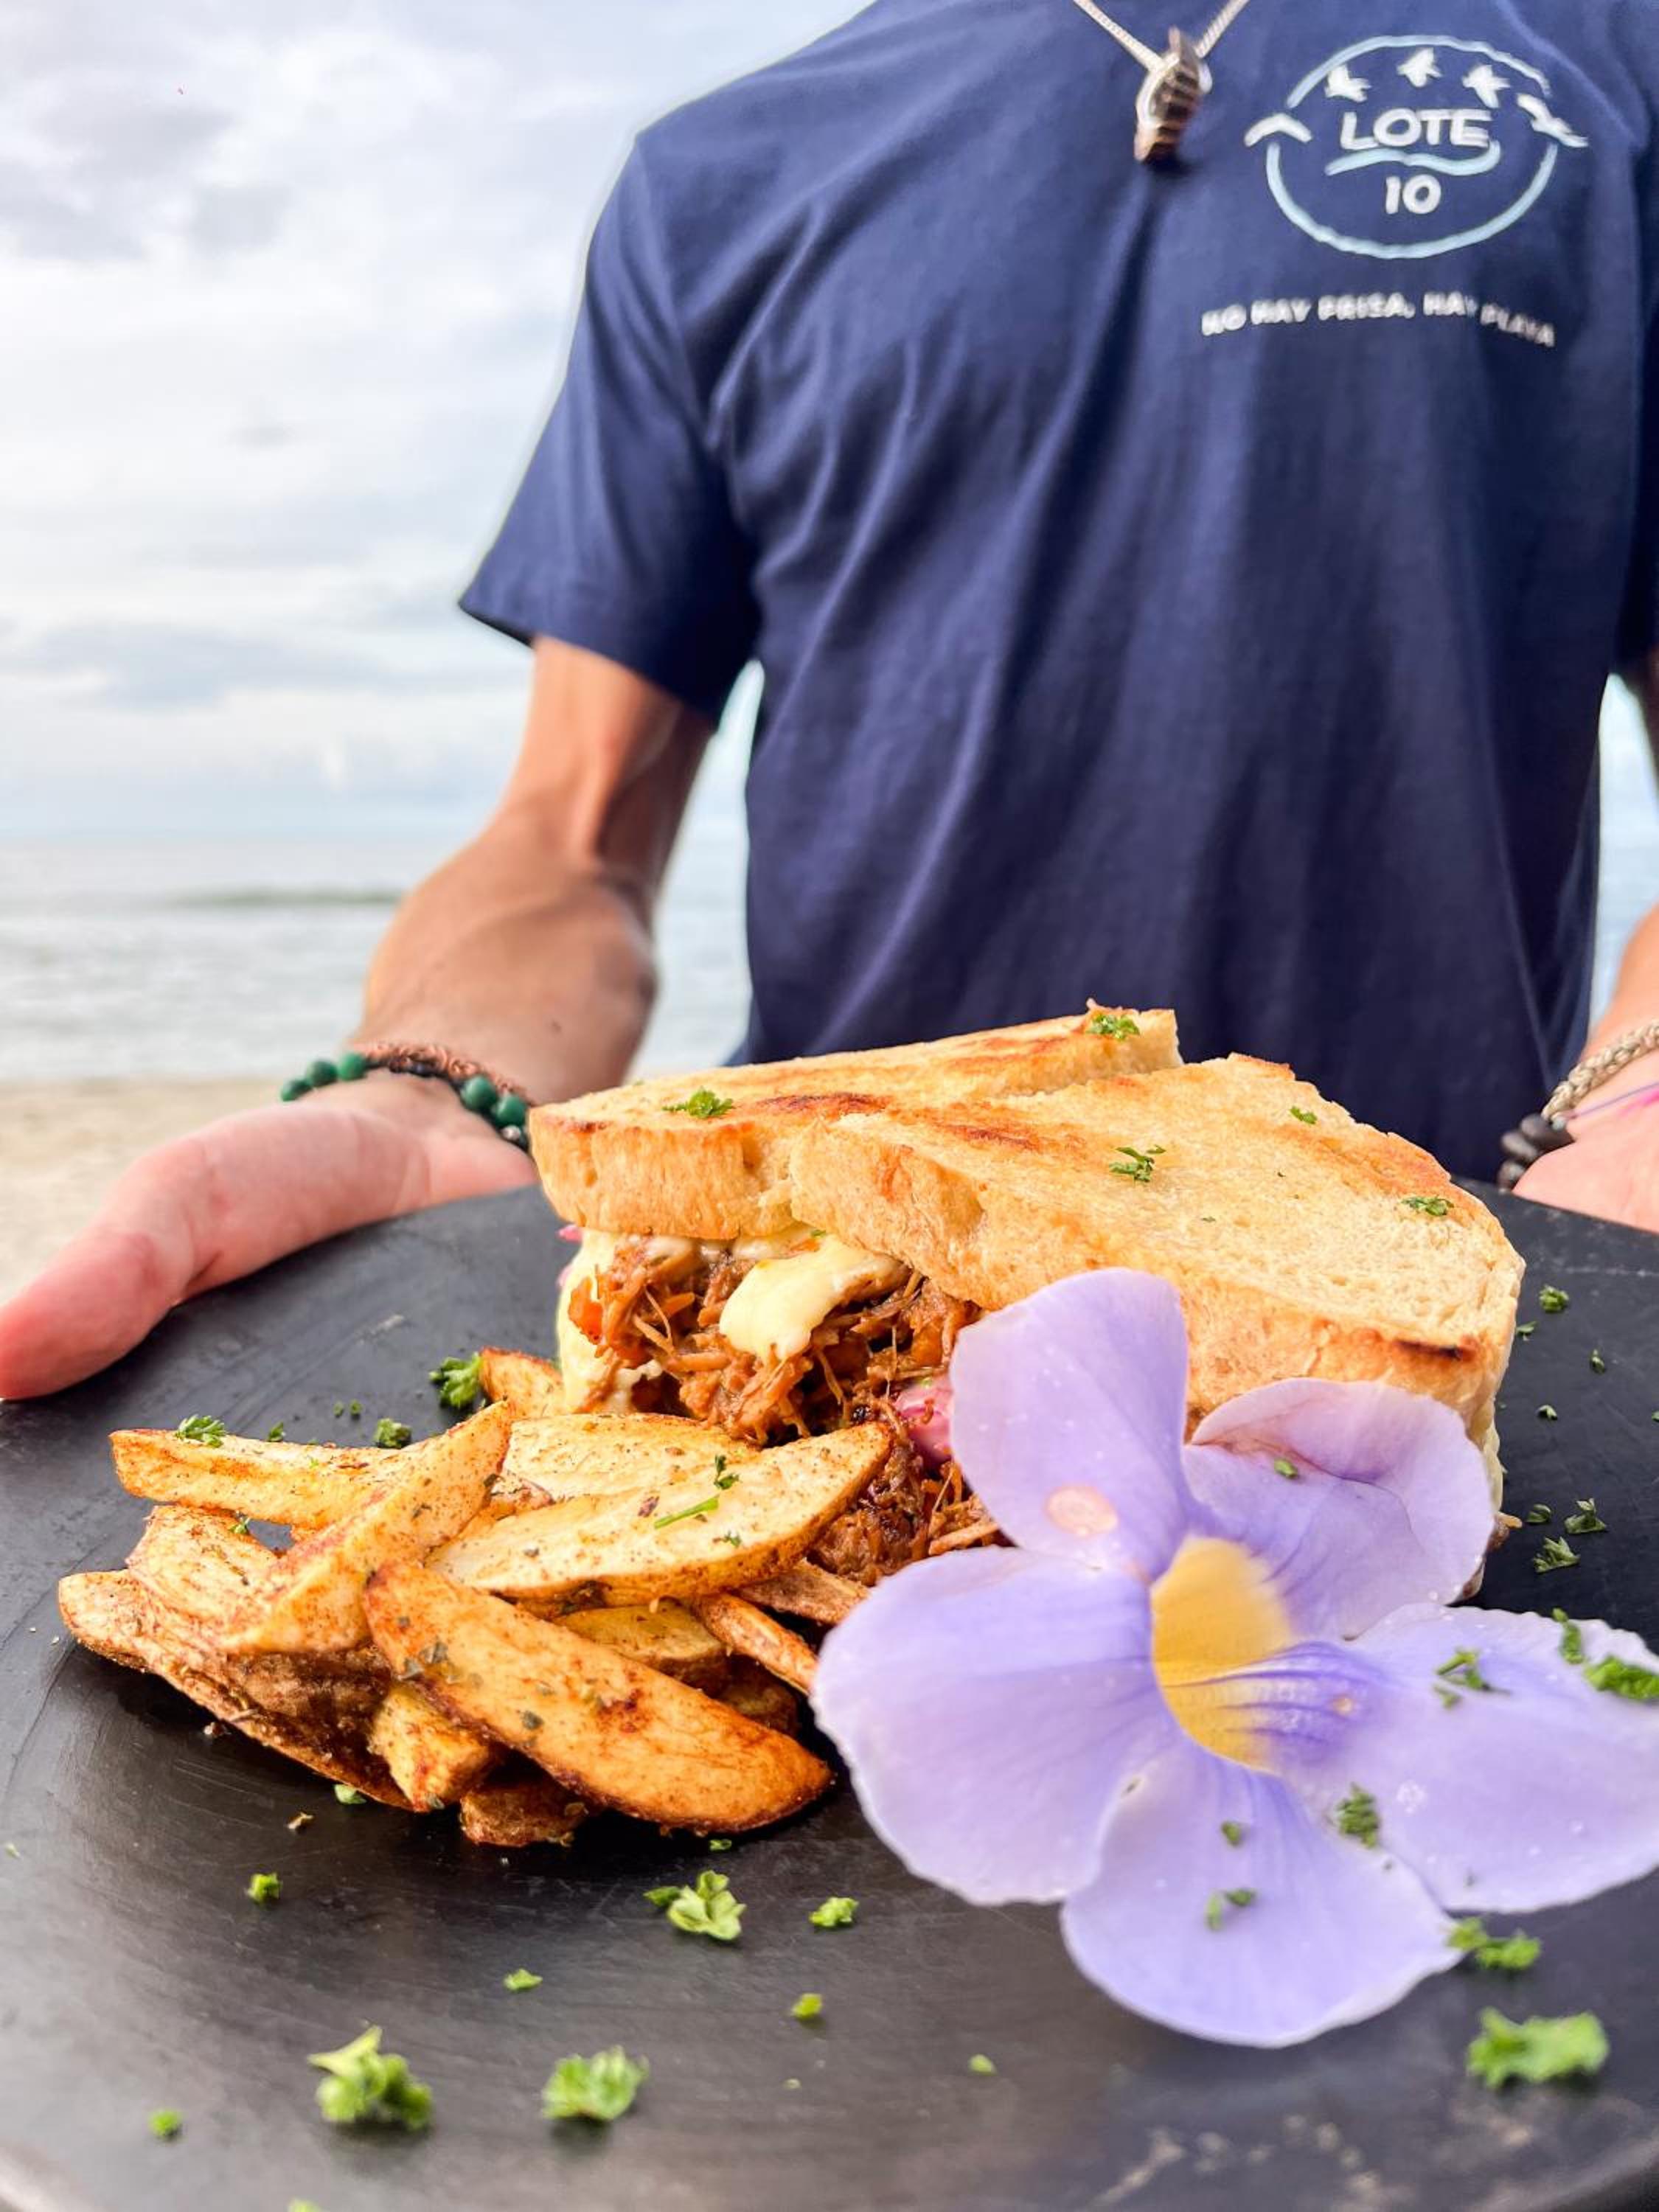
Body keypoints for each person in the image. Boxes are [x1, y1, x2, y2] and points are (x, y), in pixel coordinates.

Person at [3, 0, 1657, 1403]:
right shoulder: (723, 175)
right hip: (830, 1309)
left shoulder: (1606, 68)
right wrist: (428, 1087)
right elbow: (571, 843)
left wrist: (1636, 1116)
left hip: (1426, 1315)